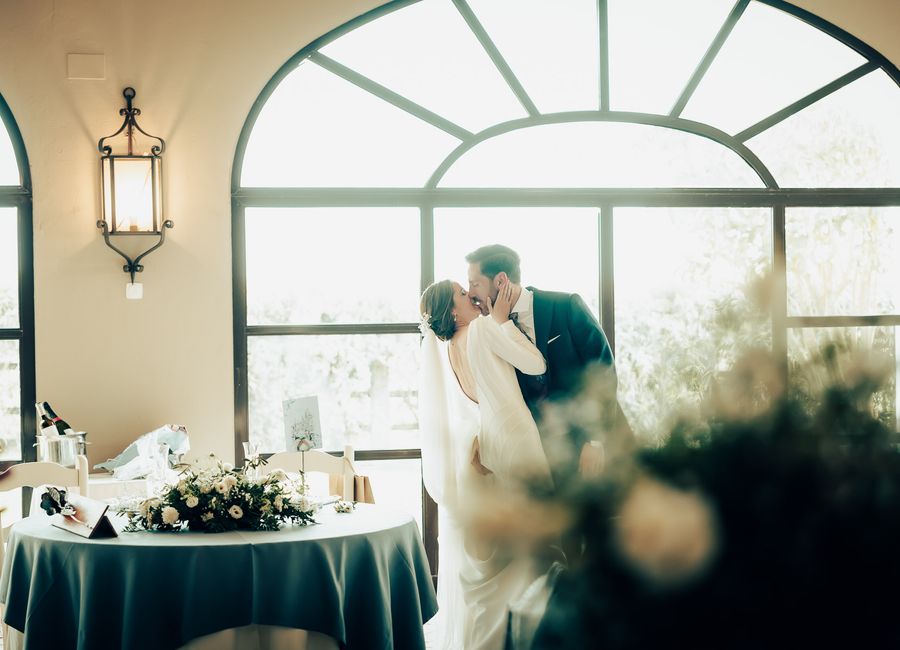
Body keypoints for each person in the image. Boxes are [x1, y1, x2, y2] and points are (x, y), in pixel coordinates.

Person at [419, 279, 551, 650]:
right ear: (452, 312)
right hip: (516, 444)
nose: (471, 297)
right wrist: (502, 321)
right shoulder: (481, 329)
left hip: (488, 449)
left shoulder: (448, 351)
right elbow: (534, 362)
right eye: (463, 294)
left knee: (502, 559)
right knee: (530, 548)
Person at [465, 244, 633, 486]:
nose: (471, 293)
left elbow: (602, 371)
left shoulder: (565, 306)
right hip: (539, 457)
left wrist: (596, 440)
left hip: (589, 446)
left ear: (501, 281)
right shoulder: (491, 329)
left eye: (475, 283)